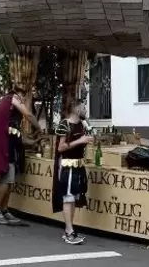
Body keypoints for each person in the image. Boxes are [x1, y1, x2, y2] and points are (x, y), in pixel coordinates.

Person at [0, 86, 43, 225]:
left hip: (12, 144)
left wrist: (33, 141)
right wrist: (39, 128)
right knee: (7, 177)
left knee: (10, 179)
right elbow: (28, 115)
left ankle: (4, 209)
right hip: (7, 145)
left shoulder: (11, 110)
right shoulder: (13, 98)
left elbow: (17, 134)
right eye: (29, 94)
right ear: (21, 93)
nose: (28, 98)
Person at [53, 99, 93, 244]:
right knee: (68, 198)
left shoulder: (82, 124)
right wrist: (79, 141)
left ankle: (70, 229)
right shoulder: (65, 124)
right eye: (83, 107)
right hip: (68, 166)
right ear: (76, 109)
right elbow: (61, 148)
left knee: (74, 199)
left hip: (79, 166)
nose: (85, 110)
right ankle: (69, 231)